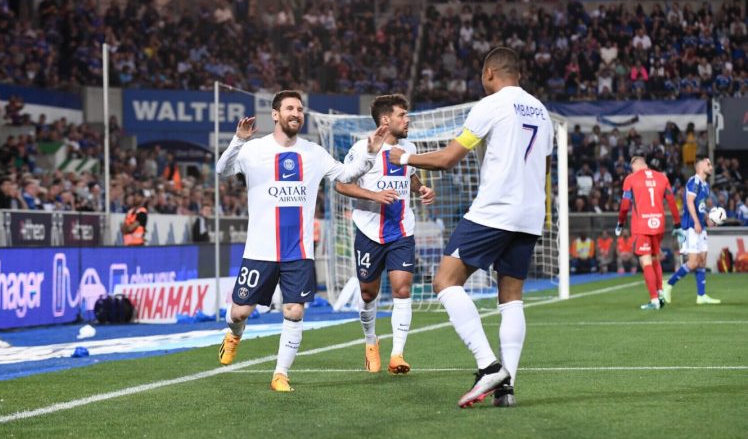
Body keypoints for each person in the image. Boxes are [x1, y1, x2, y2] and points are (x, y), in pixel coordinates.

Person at [388, 47, 554, 408]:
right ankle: (506, 388)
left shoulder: (490, 105)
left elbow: (447, 159)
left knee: (445, 282)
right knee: (511, 298)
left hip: (494, 210)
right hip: (529, 214)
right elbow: (546, 166)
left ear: (490, 73)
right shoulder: (542, 112)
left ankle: (488, 365)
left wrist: (404, 157)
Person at [216, 90, 388, 392]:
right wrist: (238, 140)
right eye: (290, 108)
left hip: (299, 251)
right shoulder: (254, 149)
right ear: (275, 114)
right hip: (261, 250)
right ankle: (234, 333)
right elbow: (222, 171)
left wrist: (370, 153)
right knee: (240, 311)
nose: (297, 113)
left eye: (300, 109)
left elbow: (346, 174)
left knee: (294, 311)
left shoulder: (314, 153)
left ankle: (280, 374)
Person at [334, 94, 435, 375]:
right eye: (403, 115)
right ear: (386, 120)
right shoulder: (361, 149)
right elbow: (342, 185)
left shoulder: (409, 148)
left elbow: (410, 175)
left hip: (402, 229)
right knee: (368, 293)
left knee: (403, 289)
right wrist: (374, 195)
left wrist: (421, 189)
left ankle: (397, 354)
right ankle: (370, 342)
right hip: (369, 230)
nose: (408, 119)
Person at [615, 156, 681, 310]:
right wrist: (677, 224)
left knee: (645, 262)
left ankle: (654, 301)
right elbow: (671, 201)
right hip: (659, 224)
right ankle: (659, 293)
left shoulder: (631, 179)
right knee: (654, 258)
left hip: (642, 225)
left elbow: (625, 205)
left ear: (635, 166)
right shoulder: (662, 177)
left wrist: (620, 223)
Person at [662, 157, 721, 305]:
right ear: (700, 166)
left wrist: (707, 218)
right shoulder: (693, 181)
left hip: (701, 225)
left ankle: (701, 296)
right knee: (693, 262)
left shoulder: (705, 185)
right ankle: (668, 284)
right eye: (708, 164)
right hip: (691, 226)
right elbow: (689, 202)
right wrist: (696, 222)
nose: (711, 167)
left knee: (702, 261)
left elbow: (700, 206)